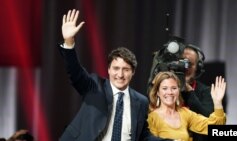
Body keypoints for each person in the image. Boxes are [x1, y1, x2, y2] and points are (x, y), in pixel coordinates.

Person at [58, 9, 172, 141]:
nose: (120, 74)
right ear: (108, 70)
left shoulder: (141, 101)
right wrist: (69, 42)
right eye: (116, 68)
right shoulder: (95, 86)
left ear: (133, 72)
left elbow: (143, 136)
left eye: (126, 69)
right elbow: (75, 71)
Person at [147, 71, 226, 141]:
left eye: (174, 88)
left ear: (178, 91)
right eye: (165, 88)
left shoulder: (185, 113)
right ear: (157, 92)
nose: (170, 92)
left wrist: (217, 102)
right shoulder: (152, 118)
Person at [181, 44, 215, 141]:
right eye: (182, 62)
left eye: (189, 64)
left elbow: (208, 120)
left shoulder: (205, 91)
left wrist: (189, 91)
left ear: (198, 68)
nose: (185, 67)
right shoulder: (164, 90)